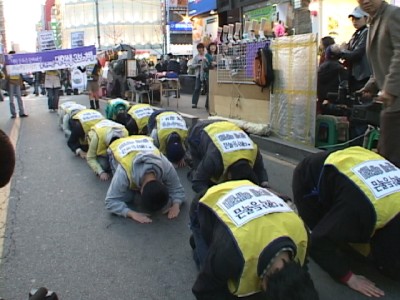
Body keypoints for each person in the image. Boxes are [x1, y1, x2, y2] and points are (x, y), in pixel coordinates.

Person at [292, 146, 400, 297]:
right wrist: (349, 277)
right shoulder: (360, 212)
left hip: (353, 162)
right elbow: (318, 242)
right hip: (309, 180)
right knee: (327, 238)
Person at [190, 180, 318, 300]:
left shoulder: (302, 236)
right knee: (217, 281)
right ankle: (199, 242)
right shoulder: (230, 254)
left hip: (246, 190)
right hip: (205, 205)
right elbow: (202, 290)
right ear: (265, 286)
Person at [357, 0, 400, 168]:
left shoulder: (393, 15)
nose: (365, 1)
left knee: (391, 158)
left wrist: (389, 89)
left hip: (395, 100)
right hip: (390, 103)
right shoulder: (373, 21)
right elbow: (382, 61)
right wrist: (371, 85)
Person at [104, 143, 186, 223]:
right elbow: (110, 202)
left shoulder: (165, 165)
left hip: (141, 144)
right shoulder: (124, 171)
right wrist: (132, 214)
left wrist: (176, 204)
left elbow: (177, 189)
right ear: (140, 191)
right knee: (128, 196)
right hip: (117, 146)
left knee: (159, 197)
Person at [188, 120, 269, 193]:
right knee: (202, 176)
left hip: (226, 126)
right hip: (198, 132)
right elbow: (198, 183)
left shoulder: (253, 151)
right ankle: (192, 170)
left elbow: (260, 170)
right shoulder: (214, 158)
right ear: (229, 175)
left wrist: (264, 183)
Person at [340, 6, 371, 93]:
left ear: (366, 18)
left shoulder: (366, 33)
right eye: (352, 19)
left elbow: (356, 54)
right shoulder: (356, 34)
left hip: (363, 77)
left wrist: (342, 50)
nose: (354, 21)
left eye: (357, 18)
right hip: (355, 76)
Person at [317, 44, 348, 115]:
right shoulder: (341, 69)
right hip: (336, 103)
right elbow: (343, 86)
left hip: (322, 102)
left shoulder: (320, 68)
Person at [4, 51, 28, 118]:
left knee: (19, 98)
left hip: (17, 82)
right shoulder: (7, 63)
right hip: (10, 82)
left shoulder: (18, 62)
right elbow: (4, 71)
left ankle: (22, 112)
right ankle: (13, 114)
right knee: (11, 99)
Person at [190, 43, 212, 109]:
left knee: (208, 89)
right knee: (197, 88)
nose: (200, 50)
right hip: (198, 75)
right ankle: (194, 103)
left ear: (203, 49)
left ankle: (208, 104)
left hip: (206, 75)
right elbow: (192, 66)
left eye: (201, 49)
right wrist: (198, 65)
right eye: (198, 49)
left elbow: (209, 64)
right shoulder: (196, 57)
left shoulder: (207, 55)